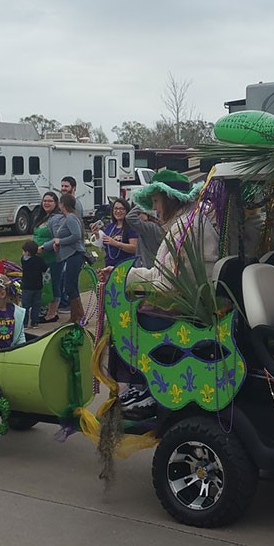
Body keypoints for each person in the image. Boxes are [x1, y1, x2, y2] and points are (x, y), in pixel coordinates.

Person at [100, 170, 218, 418]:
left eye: (155, 202)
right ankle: (145, 387)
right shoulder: (193, 220)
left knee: (126, 322)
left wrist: (126, 278)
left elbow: (165, 283)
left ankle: (148, 388)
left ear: (169, 199)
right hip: (198, 301)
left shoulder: (183, 228)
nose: (154, 208)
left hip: (187, 308)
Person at [53, 193, 86, 324]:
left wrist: (60, 241)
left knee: (69, 286)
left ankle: (76, 315)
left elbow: (76, 236)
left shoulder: (71, 218)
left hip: (75, 255)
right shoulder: (70, 217)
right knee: (72, 285)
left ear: (62, 204)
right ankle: (79, 314)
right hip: (70, 255)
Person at [32, 192, 62, 323]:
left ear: (56, 203)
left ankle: (52, 313)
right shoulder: (42, 217)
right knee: (44, 285)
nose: (46, 203)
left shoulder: (56, 219)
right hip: (39, 259)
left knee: (54, 284)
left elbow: (57, 238)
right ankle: (43, 310)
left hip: (52, 258)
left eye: (50, 201)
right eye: (45, 200)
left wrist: (43, 247)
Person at [94, 198, 138, 267]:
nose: (118, 211)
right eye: (116, 208)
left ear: (127, 211)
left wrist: (116, 243)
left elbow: (134, 248)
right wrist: (97, 234)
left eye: (121, 209)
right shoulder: (110, 227)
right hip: (109, 266)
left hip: (125, 267)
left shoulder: (131, 228)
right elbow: (103, 245)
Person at [19, 240, 46, 331]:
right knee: (36, 305)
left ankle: (25, 324)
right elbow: (44, 268)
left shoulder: (24, 260)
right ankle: (35, 322)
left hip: (27, 287)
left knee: (25, 306)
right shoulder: (39, 260)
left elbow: (24, 260)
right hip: (38, 286)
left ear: (27, 252)